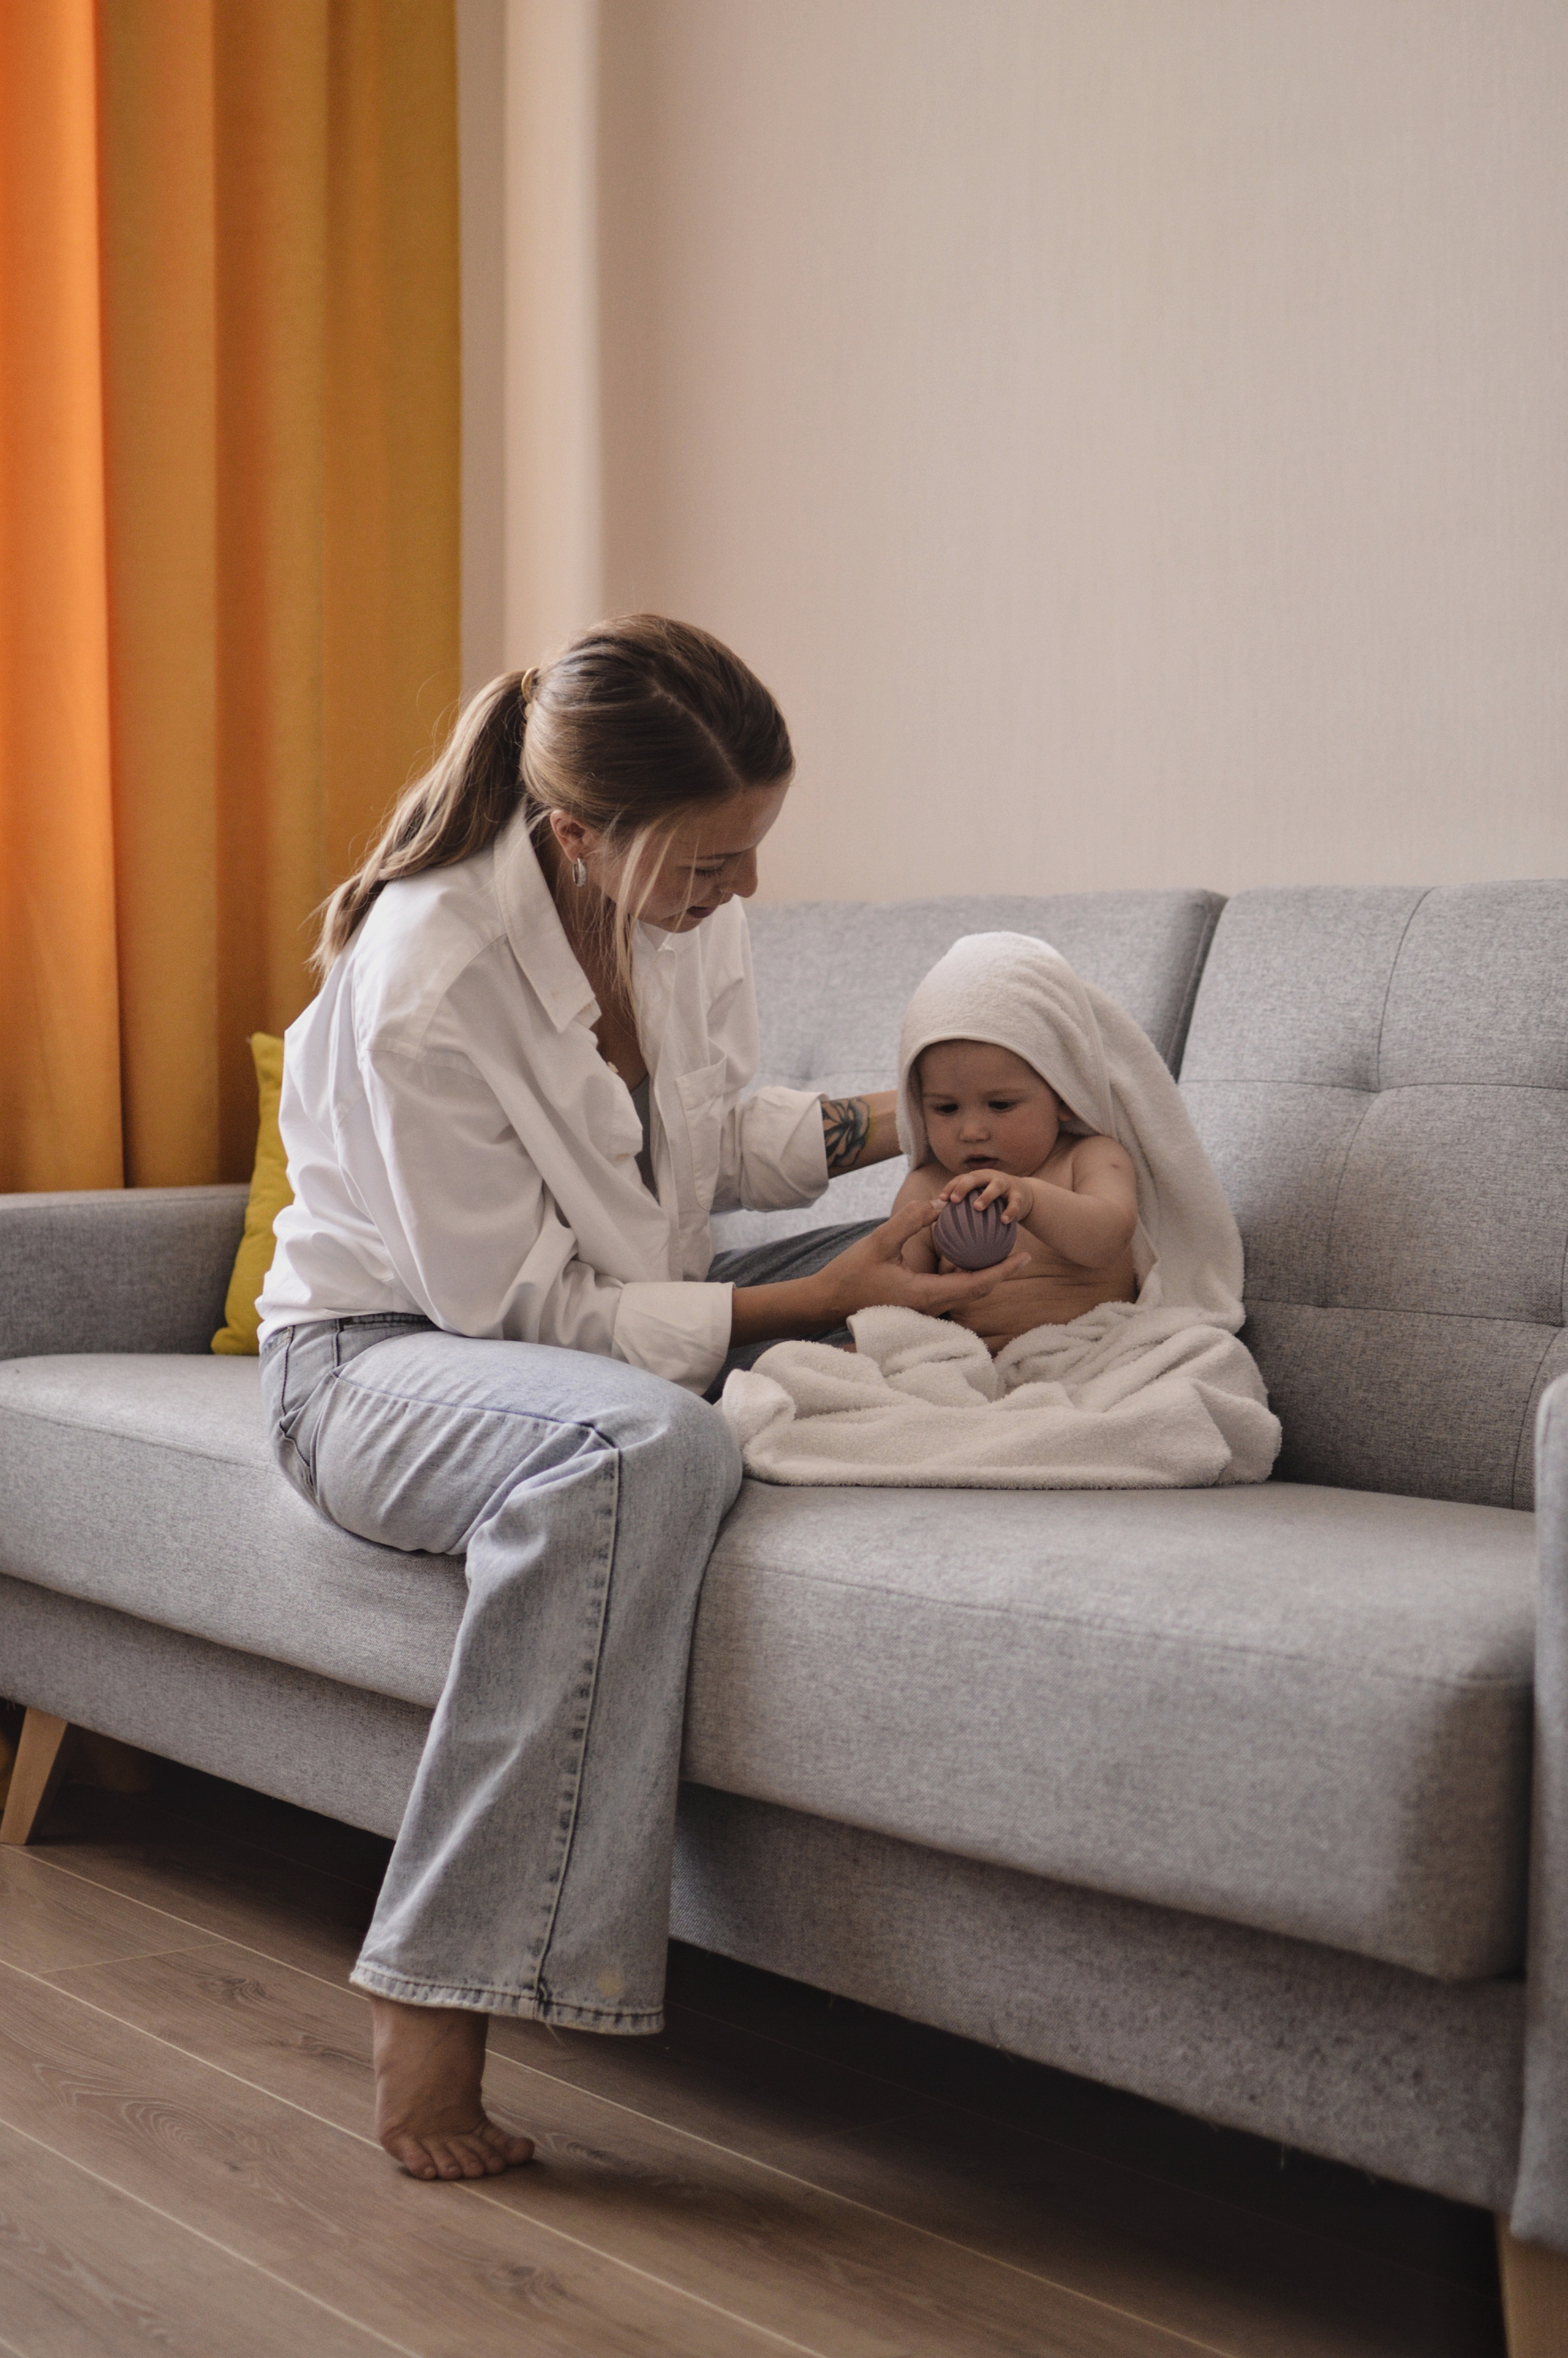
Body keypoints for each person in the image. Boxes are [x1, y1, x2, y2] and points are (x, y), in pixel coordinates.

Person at [256, 616, 1025, 2184]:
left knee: (988, 1258)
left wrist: (913, 1122)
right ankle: (436, 1990)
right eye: (706, 864)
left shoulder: (676, 909)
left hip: (595, 1326)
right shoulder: (430, 971)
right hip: (382, 1361)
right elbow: (517, 1308)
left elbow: (702, 1142)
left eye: (749, 856)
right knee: (642, 1446)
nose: (736, 893)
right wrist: (811, 1299)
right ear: (574, 832)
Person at [892, 1038, 1139, 1325]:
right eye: (947, 1109)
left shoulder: (1088, 1156)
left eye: (1000, 1105)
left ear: (1064, 1097)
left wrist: (1032, 1199)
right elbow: (898, 1297)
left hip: (1096, 1346)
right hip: (978, 1359)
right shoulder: (927, 1188)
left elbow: (1110, 1241)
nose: (972, 1132)